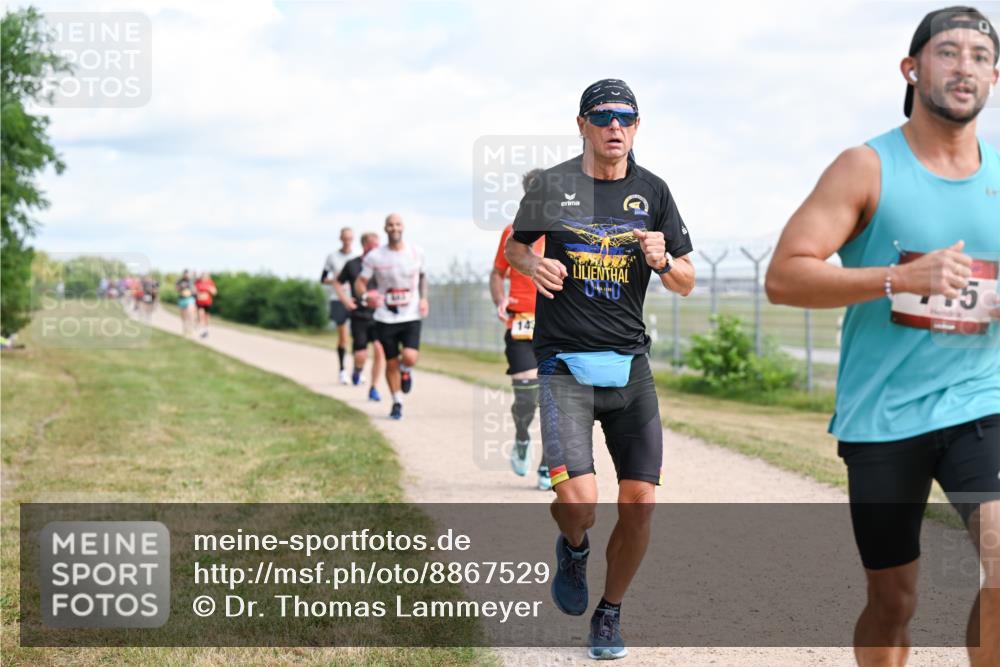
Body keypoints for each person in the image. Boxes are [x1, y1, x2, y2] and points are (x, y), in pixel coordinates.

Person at [765, 8, 999, 666]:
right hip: (883, 415)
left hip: (982, 399)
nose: (965, 67)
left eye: (981, 56)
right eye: (948, 52)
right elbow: (785, 278)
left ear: (996, 76)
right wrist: (900, 277)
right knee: (893, 600)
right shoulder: (865, 166)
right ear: (912, 68)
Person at [505, 78, 695, 659]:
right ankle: (575, 546)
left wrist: (665, 263)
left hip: (631, 369)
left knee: (640, 502)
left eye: (627, 118)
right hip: (563, 366)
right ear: (583, 123)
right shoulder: (551, 186)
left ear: (637, 128)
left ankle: (609, 613)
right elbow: (516, 245)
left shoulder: (654, 191)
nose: (616, 126)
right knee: (580, 503)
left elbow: (687, 280)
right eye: (604, 116)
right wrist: (532, 263)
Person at [491, 167, 551, 491]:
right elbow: (496, 273)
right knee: (527, 396)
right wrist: (499, 299)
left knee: (554, 400)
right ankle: (522, 437)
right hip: (520, 323)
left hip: (556, 327)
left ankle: (547, 466)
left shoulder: (564, 231)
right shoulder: (512, 232)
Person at [355, 213, 428, 420]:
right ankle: (397, 401)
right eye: (390, 225)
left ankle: (407, 369)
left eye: (397, 224)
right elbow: (360, 283)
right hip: (385, 316)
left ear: (403, 227)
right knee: (390, 362)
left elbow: (423, 277)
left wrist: (424, 299)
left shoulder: (416, 252)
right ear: (385, 229)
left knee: (410, 356)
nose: (394, 228)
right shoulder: (375, 256)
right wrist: (366, 296)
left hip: (411, 313)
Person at [334, 231, 386, 402]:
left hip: (378, 315)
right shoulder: (353, 265)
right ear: (364, 245)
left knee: (379, 348)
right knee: (361, 355)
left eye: (378, 245)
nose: (376, 249)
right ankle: (357, 370)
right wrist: (346, 300)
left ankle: (374, 387)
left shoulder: (382, 265)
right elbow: (337, 283)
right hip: (359, 315)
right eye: (373, 245)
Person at [322, 227, 357, 384]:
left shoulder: (357, 257)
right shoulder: (332, 257)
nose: (347, 241)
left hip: (354, 298)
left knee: (358, 336)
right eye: (345, 238)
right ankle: (342, 370)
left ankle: (357, 370)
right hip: (338, 299)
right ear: (340, 239)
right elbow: (323, 279)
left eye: (350, 238)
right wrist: (336, 280)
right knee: (343, 336)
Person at [195, 272, 217, 339]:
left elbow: (214, 292)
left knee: (206, 317)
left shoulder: (210, 282)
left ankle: (206, 331)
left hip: (207, 302)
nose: (204, 277)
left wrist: (209, 289)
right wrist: (198, 294)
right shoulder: (198, 282)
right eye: (203, 276)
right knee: (201, 315)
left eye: (205, 276)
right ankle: (201, 330)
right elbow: (194, 291)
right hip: (199, 302)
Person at [175, 270, 197, 337]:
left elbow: (195, 290)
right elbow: (177, 289)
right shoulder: (179, 281)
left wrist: (192, 289)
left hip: (190, 299)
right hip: (182, 299)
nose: (186, 275)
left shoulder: (192, 281)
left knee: (190, 313)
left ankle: (191, 329)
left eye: (188, 274)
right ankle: (185, 328)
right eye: (185, 274)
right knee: (183, 316)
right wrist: (181, 288)